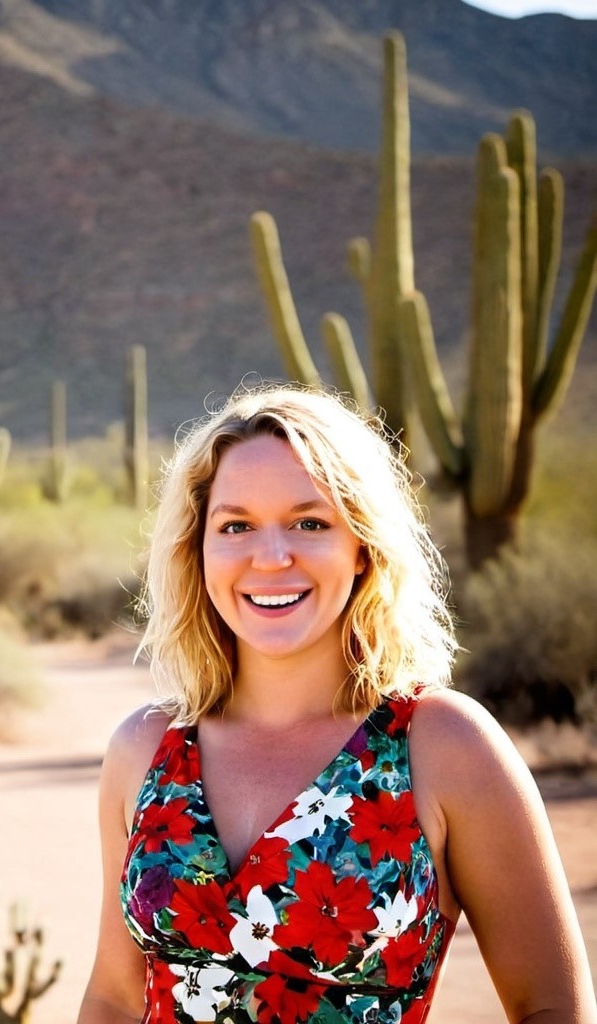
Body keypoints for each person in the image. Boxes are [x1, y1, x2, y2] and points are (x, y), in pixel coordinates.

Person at [77, 384, 596, 1024]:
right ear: (198, 549)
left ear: (363, 549)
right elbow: (114, 999)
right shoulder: (145, 748)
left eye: (310, 523)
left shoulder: (443, 745)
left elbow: (552, 1008)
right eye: (235, 526)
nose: (271, 558)